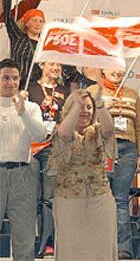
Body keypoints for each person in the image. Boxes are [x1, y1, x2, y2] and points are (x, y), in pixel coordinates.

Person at [48, 78, 117, 261]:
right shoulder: (60, 130)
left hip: (100, 198)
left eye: (88, 107)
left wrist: (100, 103)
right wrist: (77, 104)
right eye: (80, 107)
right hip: (69, 200)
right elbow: (64, 135)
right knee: (72, 250)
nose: (85, 111)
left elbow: (109, 131)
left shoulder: (97, 131)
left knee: (100, 250)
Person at [87, 68, 140, 259]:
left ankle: (123, 249)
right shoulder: (92, 90)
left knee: (121, 200)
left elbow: (139, 124)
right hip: (102, 147)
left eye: (121, 68)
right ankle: (98, 245)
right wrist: (102, 106)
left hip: (128, 149)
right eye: (113, 67)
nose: (117, 71)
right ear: (104, 69)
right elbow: (85, 119)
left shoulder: (132, 94)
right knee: (100, 198)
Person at [0, 58, 47, 260]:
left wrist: (23, 113)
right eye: (5, 78)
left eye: (15, 78)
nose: (11, 82)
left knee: (24, 237)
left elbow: (40, 136)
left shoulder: (31, 107)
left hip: (23, 173)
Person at [27, 61, 70, 257]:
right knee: (31, 198)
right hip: (33, 149)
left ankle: (46, 243)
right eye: (51, 63)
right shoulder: (30, 89)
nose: (55, 67)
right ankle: (28, 242)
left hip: (55, 149)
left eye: (58, 64)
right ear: (42, 64)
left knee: (49, 199)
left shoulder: (65, 91)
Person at [3, 0, 49, 86]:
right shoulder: (17, 36)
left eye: (41, 21)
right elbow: (8, 17)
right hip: (15, 85)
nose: (38, 24)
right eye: (34, 20)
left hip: (36, 88)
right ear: (26, 23)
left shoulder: (45, 44)